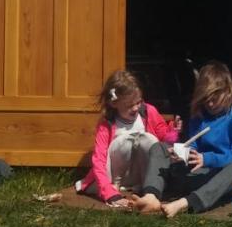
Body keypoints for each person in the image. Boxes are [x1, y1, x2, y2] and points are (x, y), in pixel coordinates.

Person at [144, 60, 232, 218]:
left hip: (221, 178)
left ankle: (186, 203)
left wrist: (208, 159)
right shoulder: (199, 115)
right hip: (198, 173)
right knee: (159, 147)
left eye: (215, 97)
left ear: (228, 90)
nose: (210, 103)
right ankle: (150, 196)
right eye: (205, 98)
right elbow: (194, 146)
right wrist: (183, 153)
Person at [73, 70, 181, 209]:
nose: (136, 108)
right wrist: (109, 193)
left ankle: (147, 186)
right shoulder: (107, 123)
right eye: (129, 105)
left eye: (139, 102)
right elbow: (99, 159)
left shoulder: (148, 111)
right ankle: (114, 187)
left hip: (140, 173)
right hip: (116, 174)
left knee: (147, 139)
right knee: (126, 141)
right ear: (114, 103)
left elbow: (163, 138)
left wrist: (173, 132)